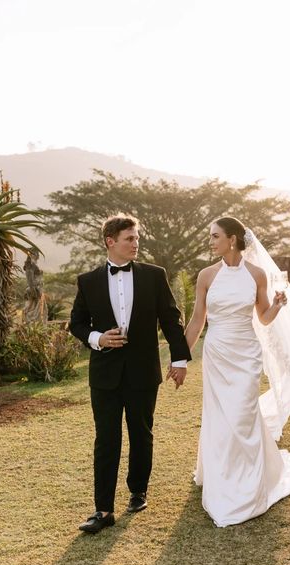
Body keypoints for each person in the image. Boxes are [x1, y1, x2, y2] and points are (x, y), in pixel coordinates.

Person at [180, 217, 290, 527]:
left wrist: (278, 304)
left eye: (215, 236)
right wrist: (179, 358)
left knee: (243, 412)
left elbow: (264, 317)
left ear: (232, 239)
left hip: (246, 354)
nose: (211, 241)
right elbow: (196, 322)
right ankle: (221, 477)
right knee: (220, 414)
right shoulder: (206, 276)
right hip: (217, 353)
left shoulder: (257, 275)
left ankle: (248, 481)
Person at [70, 214, 191, 534]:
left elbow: (171, 319)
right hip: (104, 375)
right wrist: (98, 339)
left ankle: (138, 492)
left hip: (142, 371)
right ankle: (103, 509)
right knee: (106, 440)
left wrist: (180, 360)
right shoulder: (88, 280)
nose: (136, 243)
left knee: (141, 434)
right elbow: (77, 324)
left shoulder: (154, 275)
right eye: (130, 239)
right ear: (111, 241)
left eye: (137, 238)